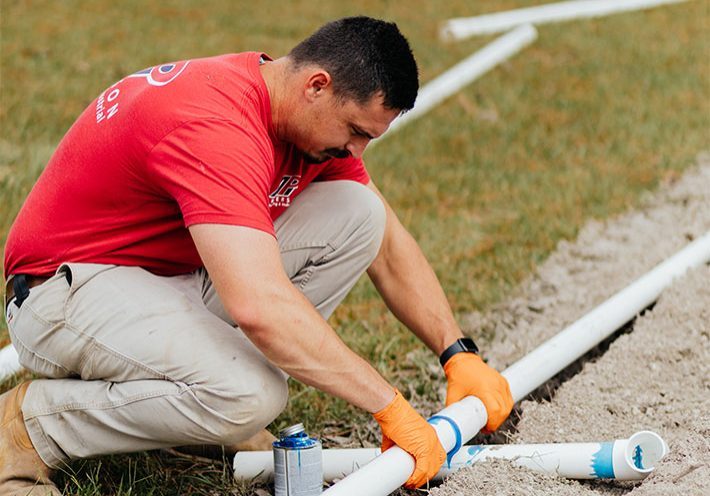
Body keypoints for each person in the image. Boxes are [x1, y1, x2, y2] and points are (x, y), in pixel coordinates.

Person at [1, 16, 513, 494]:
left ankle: (201, 408)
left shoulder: (298, 121)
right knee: (251, 393)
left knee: (360, 212)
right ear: (316, 85)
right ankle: (28, 425)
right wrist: (389, 405)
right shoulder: (216, 125)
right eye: (356, 131)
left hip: (159, 276)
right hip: (61, 295)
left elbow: (388, 242)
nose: (358, 151)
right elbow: (259, 306)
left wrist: (457, 352)